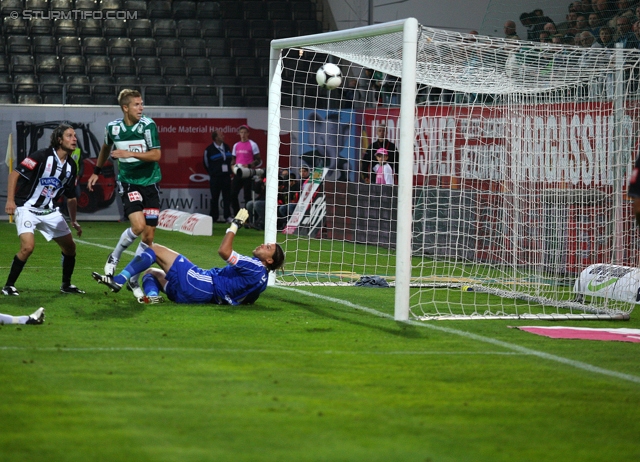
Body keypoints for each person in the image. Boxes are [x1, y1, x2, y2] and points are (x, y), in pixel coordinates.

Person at [91, 209, 285, 305]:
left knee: (155, 249)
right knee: (151, 272)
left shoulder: (254, 266)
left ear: (269, 260)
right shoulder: (263, 279)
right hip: (194, 296)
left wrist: (234, 225)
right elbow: (248, 300)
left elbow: (224, 252)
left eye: (268, 247)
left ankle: (119, 279)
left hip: (202, 284)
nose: (263, 245)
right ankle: (151, 297)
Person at [87, 89, 162, 303]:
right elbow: (105, 148)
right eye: (137, 104)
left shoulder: (148, 125)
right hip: (129, 183)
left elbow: (156, 154)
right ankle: (115, 256)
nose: (141, 108)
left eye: (142, 104)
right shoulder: (114, 128)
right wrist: (96, 171)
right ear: (125, 107)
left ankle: (133, 279)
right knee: (137, 226)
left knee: (148, 237)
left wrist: (129, 153)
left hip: (151, 184)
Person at [3, 123, 84, 296]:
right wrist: (10, 201)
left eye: (75, 136)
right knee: (28, 247)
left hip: (49, 211)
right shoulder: (41, 156)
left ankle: (66, 285)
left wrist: (74, 220)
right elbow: (14, 174)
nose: (74, 139)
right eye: (69, 136)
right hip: (27, 208)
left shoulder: (71, 166)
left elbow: (71, 197)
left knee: (70, 247)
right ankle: (8, 285)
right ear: (59, 139)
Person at [231, 125, 261, 216]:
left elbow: (258, 160)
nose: (243, 134)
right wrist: (232, 167)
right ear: (239, 134)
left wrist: (249, 165)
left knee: (247, 196)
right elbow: (233, 159)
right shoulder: (236, 145)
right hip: (238, 173)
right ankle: (237, 215)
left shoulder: (252, 144)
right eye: (241, 132)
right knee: (232, 194)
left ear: (248, 133)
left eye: (245, 132)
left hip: (248, 173)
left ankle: (247, 217)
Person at [203, 130, 233, 223]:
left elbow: (231, 160)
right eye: (221, 135)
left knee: (227, 197)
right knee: (214, 198)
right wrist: (213, 172)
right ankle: (214, 217)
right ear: (216, 138)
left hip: (226, 177)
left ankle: (227, 216)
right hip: (215, 178)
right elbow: (206, 163)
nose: (223, 136)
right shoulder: (209, 150)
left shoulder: (227, 147)